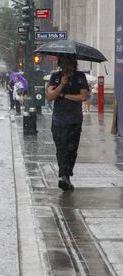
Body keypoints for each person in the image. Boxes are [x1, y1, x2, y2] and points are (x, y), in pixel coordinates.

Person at [46, 55, 89, 191]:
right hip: (58, 120)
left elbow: (83, 96)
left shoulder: (80, 77)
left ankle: (67, 175)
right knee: (61, 149)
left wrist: (64, 96)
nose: (65, 66)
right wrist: (62, 84)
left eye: (67, 63)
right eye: (62, 63)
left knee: (72, 150)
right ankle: (64, 176)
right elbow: (50, 96)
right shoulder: (55, 77)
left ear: (73, 64)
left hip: (75, 120)